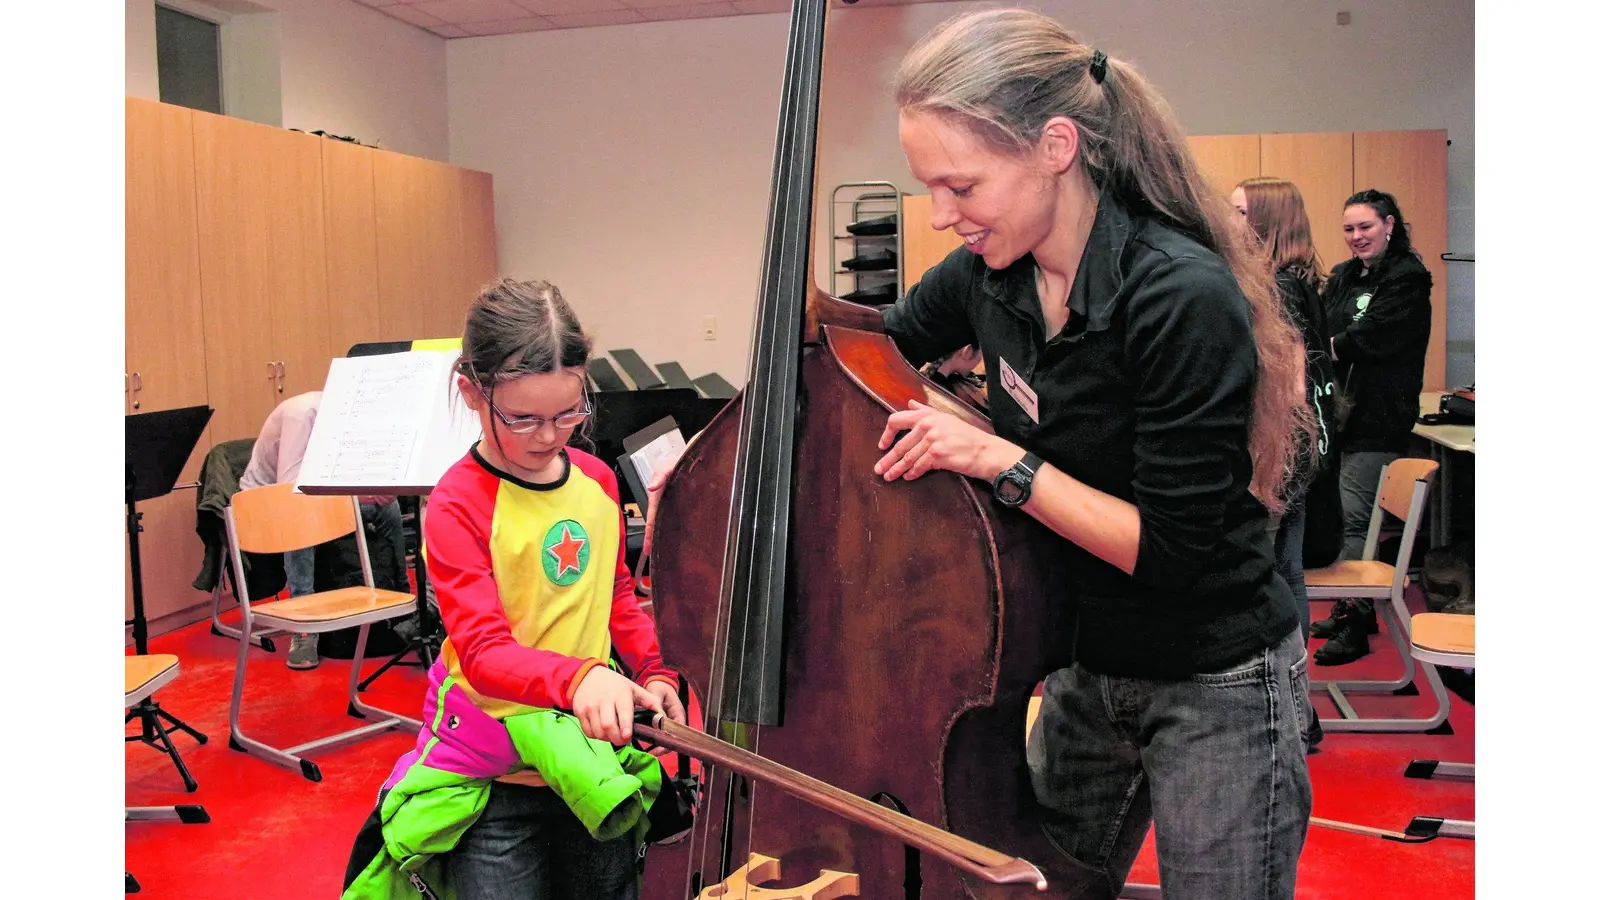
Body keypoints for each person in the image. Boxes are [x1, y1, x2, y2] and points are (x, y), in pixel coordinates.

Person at [874, 9, 1315, 897]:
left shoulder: (1178, 293)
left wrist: (998, 459)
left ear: (1055, 147)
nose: (942, 216)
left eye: (961, 186)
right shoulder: (986, 275)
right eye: (930, 189)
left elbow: (1170, 551)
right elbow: (868, 352)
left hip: (1214, 675)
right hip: (1083, 664)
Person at [341, 278, 687, 900]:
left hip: (590, 757)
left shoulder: (597, 480)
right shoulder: (457, 503)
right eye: (522, 418)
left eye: (568, 413)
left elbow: (614, 597)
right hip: (495, 777)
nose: (548, 436)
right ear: (472, 393)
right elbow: (483, 653)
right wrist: (581, 679)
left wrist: (654, 669)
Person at [1230, 177, 1333, 744]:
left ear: (1267, 222)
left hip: (1280, 450)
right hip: (1293, 449)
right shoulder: (1298, 284)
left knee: (1271, 579)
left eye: (1240, 212)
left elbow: (1290, 388)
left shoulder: (1282, 289)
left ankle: (1292, 714)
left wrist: (1265, 455)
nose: (1231, 222)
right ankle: (1299, 712)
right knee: (1285, 574)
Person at [1312, 189, 1432, 665]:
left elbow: (1370, 338)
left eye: (1365, 227)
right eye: (1349, 229)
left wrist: (1326, 346)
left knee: (1356, 520)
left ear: (1389, 225)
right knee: (1344, 517)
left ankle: (1355, 623)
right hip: (1340, 415)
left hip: (1379, 417)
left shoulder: (1407, 278)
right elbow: (1321, 323)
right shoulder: (1344, 276)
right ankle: (1353, 611)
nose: (1357, 236)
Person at [238, 391, 408, 670]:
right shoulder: (302, 415)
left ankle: (405, 606)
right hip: (266, 506)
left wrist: (378, 489)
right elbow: (292, 492)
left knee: (389, 507)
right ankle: (304, 629)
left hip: (320, 497)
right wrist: (357, 497)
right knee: (301, 518)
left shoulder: (351, 421)